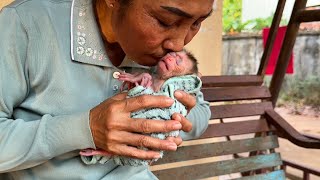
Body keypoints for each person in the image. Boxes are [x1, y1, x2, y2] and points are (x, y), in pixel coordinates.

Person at [0, 0, 214, 179]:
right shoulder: (25, 23)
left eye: (196, 23)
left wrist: (168, 117)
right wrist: (86, 129)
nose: (178, 45)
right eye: (165, 21)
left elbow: (201, 112)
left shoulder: (163, 59)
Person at [80, 50, 202, 166]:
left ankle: (108, 153)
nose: (170, 57)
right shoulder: (150, 74)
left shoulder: (174, 91)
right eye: (171, 54)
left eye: (178, 61)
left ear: (184, 79)